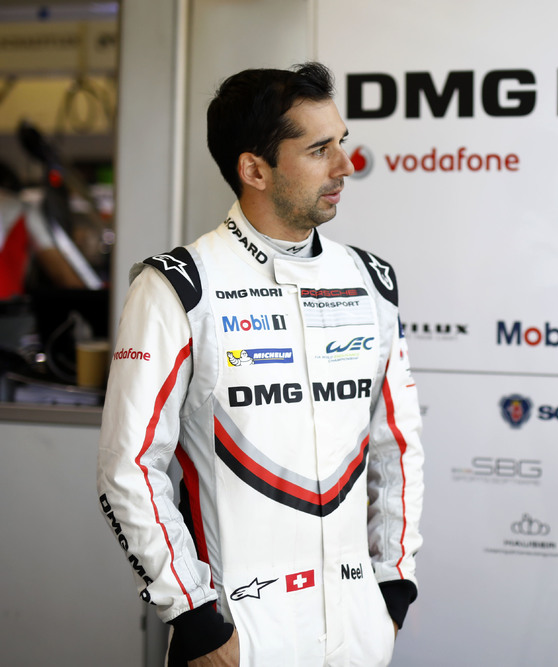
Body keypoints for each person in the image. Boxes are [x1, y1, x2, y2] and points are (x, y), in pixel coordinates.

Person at [97, 62, 425, 666]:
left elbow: (397, 449)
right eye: (320, 150)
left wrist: (394, 586)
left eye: (342, 142)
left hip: (358, 631)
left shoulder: (369, 280)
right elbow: (130, 468)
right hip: (239, 633)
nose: (345, 166)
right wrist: (194, 619)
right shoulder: (178, 287)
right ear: (254, 170)